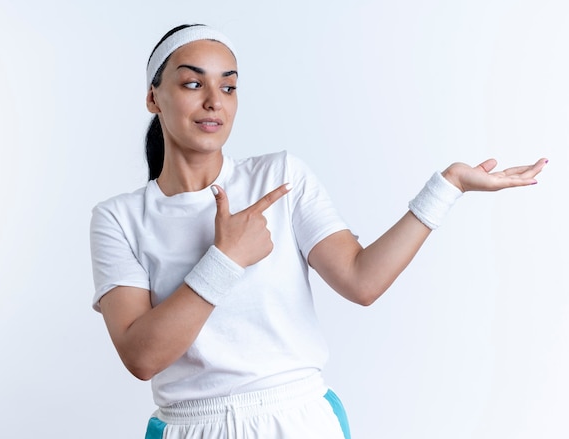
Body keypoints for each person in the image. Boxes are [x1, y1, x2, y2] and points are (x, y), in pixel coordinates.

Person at [89, 24, 547, 439]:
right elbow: (142, 358)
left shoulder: (280, 178)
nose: (214, 101)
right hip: (191, 427)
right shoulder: (119, 218)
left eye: (228, 87)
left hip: (297, 420)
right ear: (153, 98)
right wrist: (224, 260)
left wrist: (447, 187)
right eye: (193, 83)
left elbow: (361, 281)